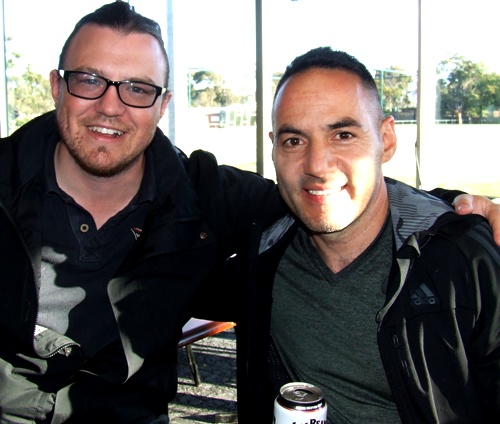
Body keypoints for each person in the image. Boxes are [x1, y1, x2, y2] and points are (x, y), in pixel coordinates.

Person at [0, 2, 498, 422]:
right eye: (89, 79)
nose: (110, 106)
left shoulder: (205, 196)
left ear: (163, 103)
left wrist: (458, 212)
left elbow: (335, 189)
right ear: (56, 86)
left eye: (137, 88)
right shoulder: (5, 183)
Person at [228, 47, 500, 423]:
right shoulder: (263, 248)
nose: (316, 166)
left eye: (342, 134)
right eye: (294, 141)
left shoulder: (466, 260)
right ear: (274, 147)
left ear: (386, 140)